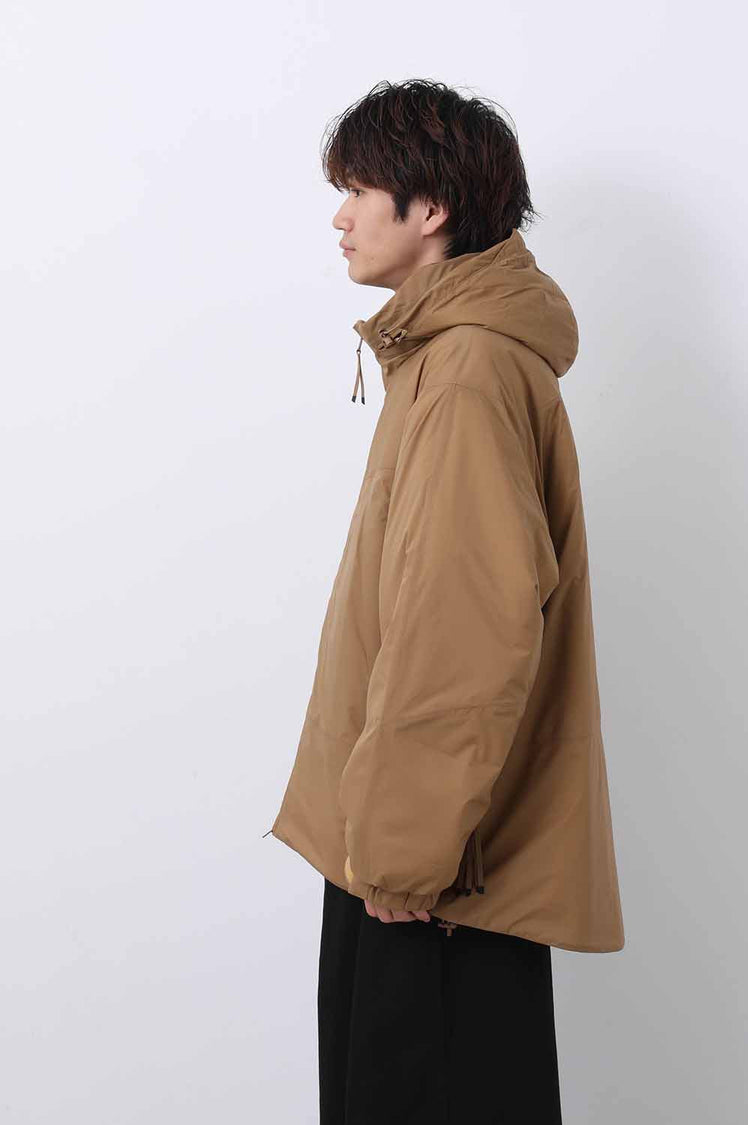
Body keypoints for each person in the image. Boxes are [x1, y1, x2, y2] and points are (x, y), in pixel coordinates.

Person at [265, 77, 625, 1124]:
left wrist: (402, 852)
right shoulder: (443, 359)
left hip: (427, 875)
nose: (340, 217)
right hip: (414, 847)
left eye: (358, 190)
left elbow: (466, 632)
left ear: (430, 209)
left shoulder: (465, 371)